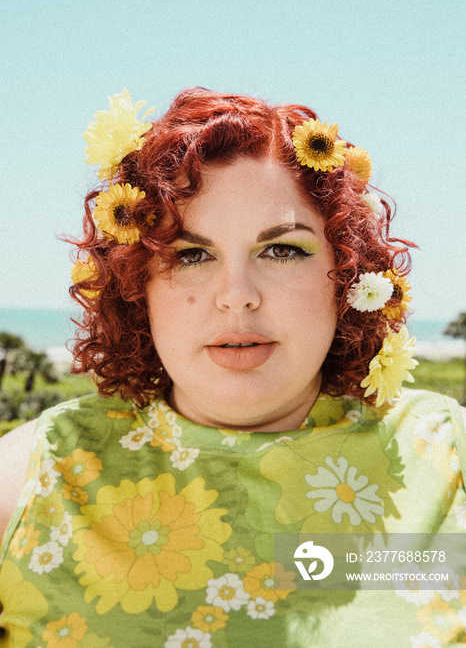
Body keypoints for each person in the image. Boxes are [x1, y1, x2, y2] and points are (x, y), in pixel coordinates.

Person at [0, 87, 465, 647]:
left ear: (346, 275)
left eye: (282, 250)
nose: (237, 296)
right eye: (191, 255)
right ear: (135, 286)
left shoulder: (447, 462)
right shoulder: (24, 483)